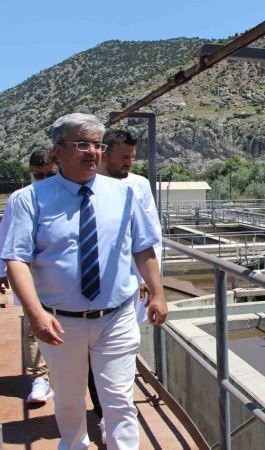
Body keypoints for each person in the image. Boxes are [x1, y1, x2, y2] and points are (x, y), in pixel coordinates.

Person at [2, 113, 167, 450]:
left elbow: (143, 247)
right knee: (69, 399)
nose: (92, 152)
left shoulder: (124, 193)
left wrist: (158, 294)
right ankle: (74, 444)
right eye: (82, 144)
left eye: (97, 145)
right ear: (58, 150)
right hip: (60, 322)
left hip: (116, 317)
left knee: (120, 399)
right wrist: (35, 314)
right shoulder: (29, 200)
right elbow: (16, 259)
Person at [86, 129, 163, 441]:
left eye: (132, 157)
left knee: (120, 355)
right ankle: (102, 412)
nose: (129, 162)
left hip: (127, 288)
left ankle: (113, 416)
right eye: (123, 157)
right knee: (91, 359)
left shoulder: (138, 185)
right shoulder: (86, 185)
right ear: (104, 155)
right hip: (92, 288)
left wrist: (149, 283)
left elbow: (149, 237)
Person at [0, 148, 58, 403]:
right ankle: (39, 377)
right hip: (31, 275)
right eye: (38, 175)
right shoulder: (21, 198)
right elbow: (6, 235)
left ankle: (68, 374)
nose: (43, 180)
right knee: (34, 325)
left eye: (49, 174)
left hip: (64, 279)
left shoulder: (71, 195)